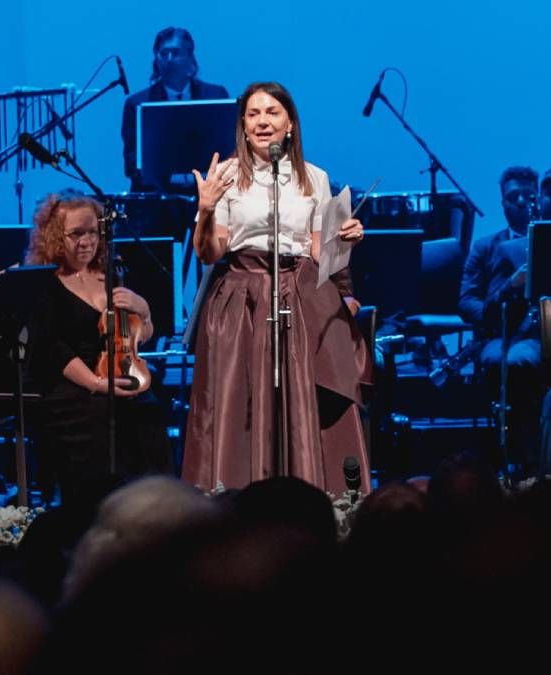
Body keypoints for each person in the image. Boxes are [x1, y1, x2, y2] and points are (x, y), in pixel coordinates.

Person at [182, 81, 369, 494]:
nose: (263, 121)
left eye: (272, 112)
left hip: (299, 294)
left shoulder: (314, 177)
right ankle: (237, 498)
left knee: (299, 399)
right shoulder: (228, 175)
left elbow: (320, 249)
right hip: (242, 298)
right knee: (241, 401)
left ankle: (306, 495)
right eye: (253, 114)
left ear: (290, 124)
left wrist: (346, 237)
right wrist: (206, 208)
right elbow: (210, 252)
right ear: (243, 126)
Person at [25, 191, 172, 504]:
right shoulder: (43, 283)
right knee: (100, 412)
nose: (87, 241)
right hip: (71, 383)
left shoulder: (110, 274)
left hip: (116, 372)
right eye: (76, 234)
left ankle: (154, 506)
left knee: (147, 407)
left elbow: (138, 334)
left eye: (93, 232)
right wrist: (96, 383)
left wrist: (143, 309)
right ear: (54, 236)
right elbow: (52, 348)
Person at [459, 167, 541, 474]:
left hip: (546, 331)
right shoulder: (484, 247)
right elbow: (466, 301)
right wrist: (494, 320)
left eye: (528, 195)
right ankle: (515, 459)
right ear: (502, 203)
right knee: (508, 361)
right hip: (501, 333)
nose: (521, 202)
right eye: (512, 197)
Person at [120, 27, 230, 192]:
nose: (169, 59)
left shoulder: (216, 96)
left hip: (208, 193)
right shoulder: (137, 104)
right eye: (163, 54)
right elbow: (132, 162)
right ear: (156, 60)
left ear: (190, 57)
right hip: (158, 198)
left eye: (176, 53)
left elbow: (229, 150)